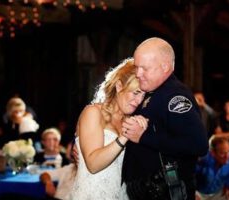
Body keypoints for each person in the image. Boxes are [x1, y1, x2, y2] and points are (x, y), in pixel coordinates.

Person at [121, 37, 209, 200]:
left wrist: (144, 137)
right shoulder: (152, 90)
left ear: (165, 67)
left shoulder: (175, 97)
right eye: (137, 67)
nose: (138, 74)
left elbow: (198, 145)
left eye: (144, 68)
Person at [70, 58, 147, 199]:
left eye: (143, 95)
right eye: (136, 93)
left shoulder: (132, 121)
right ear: (119, 86)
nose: (138, 101)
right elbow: (93, 165)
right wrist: (124, 136)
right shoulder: (93, 112)